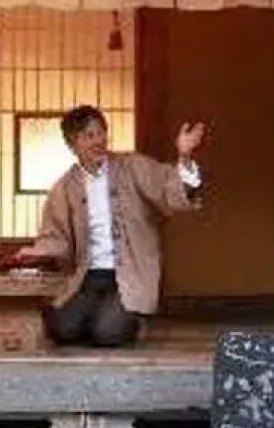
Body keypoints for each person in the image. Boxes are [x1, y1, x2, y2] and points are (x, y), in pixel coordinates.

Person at [12, 106, 207, 348]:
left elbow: (169, 188)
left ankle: (130, 319)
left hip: (128, 275)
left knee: (108, 334)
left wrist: (184, 157)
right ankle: (103, 314)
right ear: (72, 144)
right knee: (61, 329)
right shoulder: (64, 187)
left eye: (101, 133)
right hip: (88, 277)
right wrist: (38, 251)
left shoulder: (132, 166)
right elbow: (56, 237)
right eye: (89, 136)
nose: (98, 141)